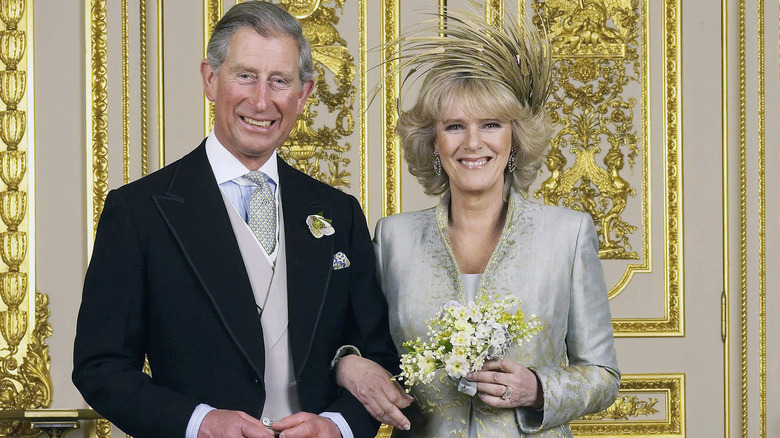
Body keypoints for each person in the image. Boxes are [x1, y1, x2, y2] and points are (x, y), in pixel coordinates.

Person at [72, 2, 402, 437]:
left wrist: (338, 427)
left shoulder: (338, 212)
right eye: (245, 75)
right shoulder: (138, 212)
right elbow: (101, 366)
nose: (261, 100)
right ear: (211, 79)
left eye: (279, 81)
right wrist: (199, 423)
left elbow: (379, 355)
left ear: (303, 95)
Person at [337, 7, 620, 437]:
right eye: (454, 126)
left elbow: (603, 375)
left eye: (491, 124)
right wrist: (349, 362)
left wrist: (538, 387)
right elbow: (361, 347)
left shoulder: (567, 233)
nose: (473, 143)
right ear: (434, 142)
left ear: (514, 138)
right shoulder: (393, 239)